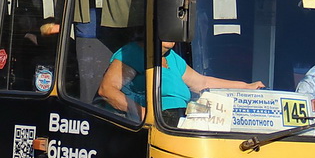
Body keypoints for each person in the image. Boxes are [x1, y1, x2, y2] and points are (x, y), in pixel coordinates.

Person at [98, 40, 264, 122]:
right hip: (156, 127)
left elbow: (203, 83)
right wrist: (144, 115)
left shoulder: (172, 59)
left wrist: (246, 87)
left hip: (179, 124)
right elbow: (107, 90)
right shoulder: (134, 52)